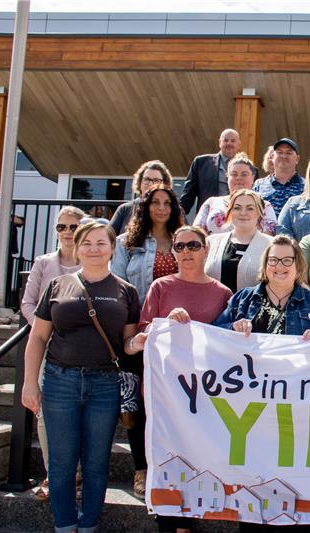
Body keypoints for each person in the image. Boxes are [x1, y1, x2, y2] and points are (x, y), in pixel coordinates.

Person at [21, 220, 141, 533]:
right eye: (86, 242)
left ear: (112, 248)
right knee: (61, 463)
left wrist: (138, 342)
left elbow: (126, 344)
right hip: (61, 380)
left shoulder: (126, 292)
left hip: (105, 384)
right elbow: (37, 338)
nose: (93, 249)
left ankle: (88, 526)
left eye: (101, 243)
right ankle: (64, 525)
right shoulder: (58, 285)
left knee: (96, 463)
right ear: (77, 247)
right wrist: (30, 382)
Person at [127, 225, 232, 533]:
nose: (186, 252)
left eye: (193, 245)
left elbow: (225, 346)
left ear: (206, 249)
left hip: (203, 395)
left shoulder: (223, 293)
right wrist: (164, 324)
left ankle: (188, 524)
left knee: (196, 463)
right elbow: (144, 334)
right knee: (168, 464)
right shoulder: (160, 287)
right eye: (180, 246)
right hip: (165, 393)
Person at [111, 186, 184, 499]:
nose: (161, 208)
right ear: (145, 206)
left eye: (167, 203)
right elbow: (117, 284)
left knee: (171, 405)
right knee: (135, 405)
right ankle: (141, 469)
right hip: (136, 334)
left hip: (174, 340)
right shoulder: (128, 243)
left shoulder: (184, 241)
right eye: (155, 202)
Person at [21, 205, 87, 501]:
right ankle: (56, 473)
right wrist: (46, 327)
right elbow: (27, 302)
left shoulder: (95, 262)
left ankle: (79, 473)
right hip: (48, 345)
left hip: (84, 349)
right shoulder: (43, 262)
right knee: (45, 414)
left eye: (73, 227)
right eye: (62, 227)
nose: (67, 232)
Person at [213, 235, 310, 339]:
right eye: (273, 260)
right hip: (251, 365)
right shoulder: (243, 299)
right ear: (265, 265)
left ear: (298, 266)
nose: (279, 266)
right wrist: (233, 327)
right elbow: (214, 332)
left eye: (287, 260)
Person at [205, 189, 273, 294]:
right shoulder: (211, 242)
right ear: (230, 211)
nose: (243, 213)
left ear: (260, 213)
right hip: (214, 308)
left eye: (250, 208)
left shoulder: (271, 245)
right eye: (237, 208)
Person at [194, 152, 277, 235]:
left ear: (253, 178)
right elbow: (197, 231)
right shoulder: (211, 202)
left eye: (244, 174)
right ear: (227, 177)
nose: (239, 178)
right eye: (234, 174)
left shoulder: (264, 206)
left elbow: (269, 238)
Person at [179, 128, 241, 215]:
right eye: (226, 140)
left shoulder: (249, 169)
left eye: (233, 141)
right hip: (207, 217)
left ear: (238, 144)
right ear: (220, 142)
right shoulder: (201, 163)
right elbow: (188, 194)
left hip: (237, 218)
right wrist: (177, 216)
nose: (229, 143)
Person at [110, 160, 174, 235]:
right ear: (139, 183)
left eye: (156, 180)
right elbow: (108, 238)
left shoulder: (175, 210)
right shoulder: (124, 210)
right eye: (147, 179)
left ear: (165, 184)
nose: (150, 184)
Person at [253, 138, 305, 217]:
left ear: (297, 159)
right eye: (279, 152)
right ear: (272, 157)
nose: (284, 156)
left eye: (289, 153)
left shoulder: (307, 187)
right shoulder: (259, 185)